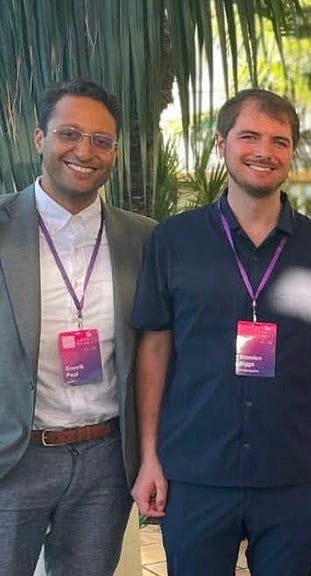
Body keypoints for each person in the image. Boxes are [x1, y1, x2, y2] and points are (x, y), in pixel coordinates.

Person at [130, 88, 311, 575]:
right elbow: (154, 347)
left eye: (280, 141)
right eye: (249, 137)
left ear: (291, 153)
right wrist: (149, 456)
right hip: (195, 470)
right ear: (221, 143)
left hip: (291, 472)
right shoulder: (173, 240)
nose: (264, 152)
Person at [0, 79, 155, 575]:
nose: (84, 151)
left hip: (105, 464)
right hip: (14, 458)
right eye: (69, 133)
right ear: (40, 138)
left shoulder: (144, 239)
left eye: (101, 140)